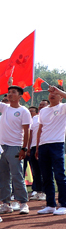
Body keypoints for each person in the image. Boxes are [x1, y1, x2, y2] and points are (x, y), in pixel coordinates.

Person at [35, 85, 66, 215]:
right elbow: (40, 129)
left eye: (56, 93)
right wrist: (37, 147)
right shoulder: (43, 111)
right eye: (51, 93)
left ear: (61, 96)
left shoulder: (64, 107)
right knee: (46, 176)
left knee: (59, 175)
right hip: (43, 145)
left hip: (57, 144)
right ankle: (50, 205)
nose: (52, 95)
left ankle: (64, 205)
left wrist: (60, 91)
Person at [0, 83, 31, 215]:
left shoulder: (24, 111)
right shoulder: (4, 108)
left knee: (17, 175)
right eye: (9, 92)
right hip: (2, 147)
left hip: (15, 147)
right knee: (3, 177)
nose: (10, 94)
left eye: (13, 92)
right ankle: (6, 204)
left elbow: (27, 131)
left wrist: (24, 148)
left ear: (20, 96)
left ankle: (23, 203)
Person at [24, 105, 42, 202]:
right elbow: (29, 135)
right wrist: (28, 147)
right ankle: (36, 190)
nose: (30, 113)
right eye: (29, 111)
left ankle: (41, 191)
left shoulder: (38, 119)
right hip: (28, 148)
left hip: (38, 146)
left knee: (40, 170)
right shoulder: (28, 120)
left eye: (32, 111)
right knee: (34, 170)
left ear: (36, 112)